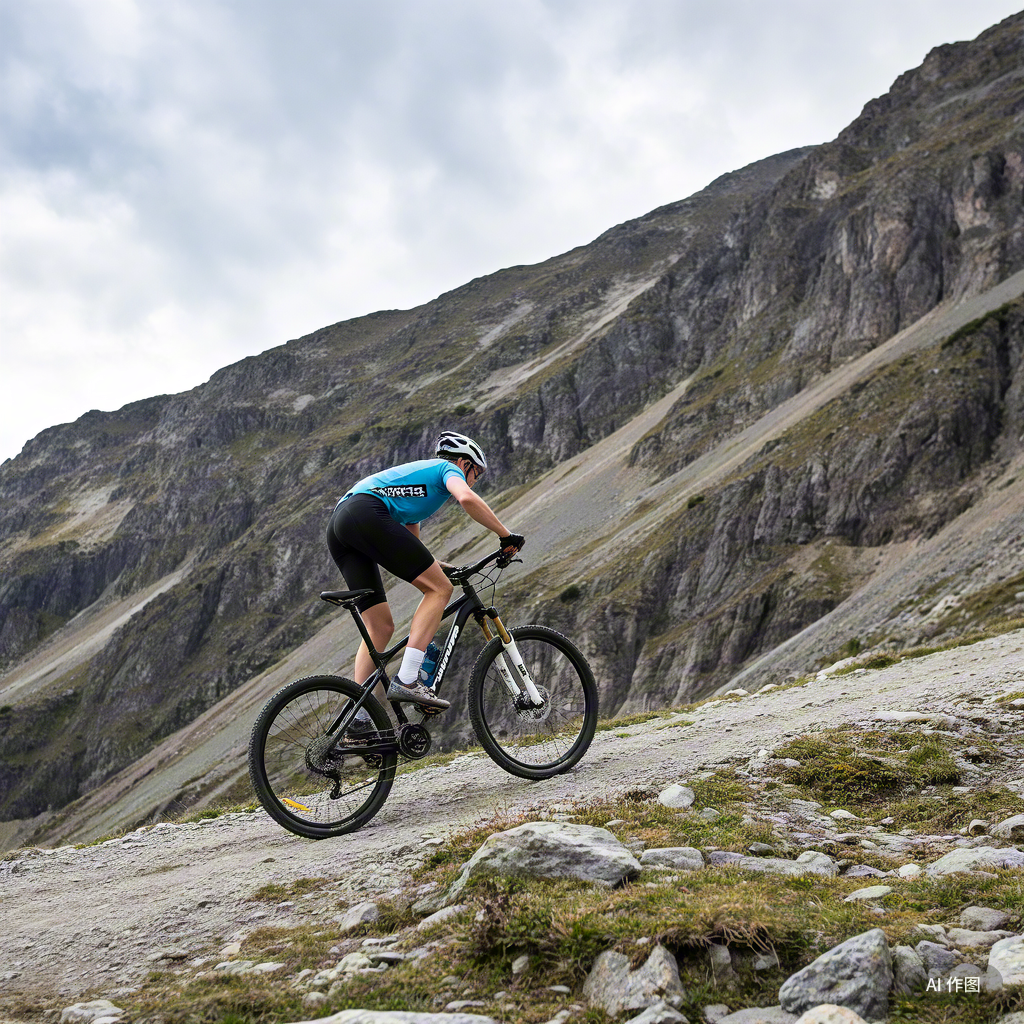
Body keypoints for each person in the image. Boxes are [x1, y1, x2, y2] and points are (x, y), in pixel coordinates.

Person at [327, 431, 525, 726]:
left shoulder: (413, 494)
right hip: (365, 513)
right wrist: (506, 536)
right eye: (476, 472)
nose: (475, 479)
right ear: (463, 462)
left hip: (341, 524)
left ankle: (360, 719)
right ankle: (408, 680)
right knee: (439, 591)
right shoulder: (447, 469)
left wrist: (439, 566)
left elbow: (412, 549)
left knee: (380, 627)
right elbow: (467, 498)